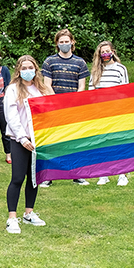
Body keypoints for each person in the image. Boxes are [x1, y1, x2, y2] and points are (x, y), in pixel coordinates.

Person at [4, 55, 54, 234]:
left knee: (34, 179)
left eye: (30, 67)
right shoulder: (12, 90)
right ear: (18, 71)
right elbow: (11, 115)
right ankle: (12, 218)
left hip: (38, 139)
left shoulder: (41, 89)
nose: (27, 71)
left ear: (36, 70)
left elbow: (50, 110)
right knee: (18, 178)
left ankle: (29, 213)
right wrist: (22, 138)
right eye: (23, 68)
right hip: (19, 140)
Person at [41, 28, 90, 186]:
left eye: (66, 42)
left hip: (73, 107)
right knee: (53, 141)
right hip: (54, 107)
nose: (64, 44)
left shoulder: (80, 62)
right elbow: (46, 84)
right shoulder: (49, 61)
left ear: (72, 42)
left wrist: (72, 101)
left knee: (73, 140)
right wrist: (58, 102)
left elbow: (82, 86)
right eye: (61, 42)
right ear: (57, 44)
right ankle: (49, 175)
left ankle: (76, 174)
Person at [89, 41, 131, 186]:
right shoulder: (95, 71)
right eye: (102, 52)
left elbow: (125, 91)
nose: (105, 54)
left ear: (112, 51)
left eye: (107, 51)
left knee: (118, 142)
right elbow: (91, 93)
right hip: (100, 112)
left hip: (117, 111)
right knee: (102, 143)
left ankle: (122, 174)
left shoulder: (120, 69)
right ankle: (104, 173)